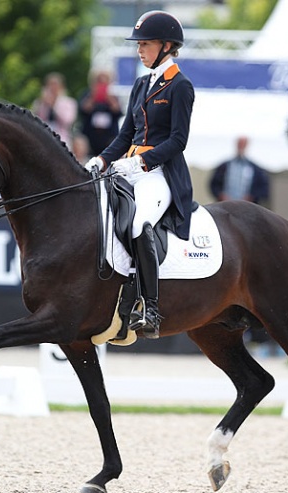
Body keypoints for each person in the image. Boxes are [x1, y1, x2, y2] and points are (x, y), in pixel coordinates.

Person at [84, 10, 195, 339]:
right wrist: (101, 161)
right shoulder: (141, 83)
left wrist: (141, 164)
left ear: (166, 45)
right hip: (127, 168)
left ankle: (150, 306)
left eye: (145, 44)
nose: (139, 50)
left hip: (161, 174)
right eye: (139, 44)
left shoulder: (180, 86)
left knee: (137, 223)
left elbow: (178, 140)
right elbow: (125, 135)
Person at [210, 136, 270, 205]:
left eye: (243, 145)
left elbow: (263, 188)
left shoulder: (255, 169)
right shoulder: (224, 166)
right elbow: (213, 184)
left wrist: (252, 196)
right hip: (225, 205)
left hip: (247, 207)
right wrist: (220, 195)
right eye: (239, 144)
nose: (241, 147)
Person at [78, 69, 123, 155]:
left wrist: (109, 97)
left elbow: (118, 111)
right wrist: (94, 95)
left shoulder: (114, 96)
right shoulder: (87, 94)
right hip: (90, 134)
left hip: (109, 135)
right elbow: (83, 109)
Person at [32, 72, 77, 148]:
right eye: (50, 85)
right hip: (43, 137)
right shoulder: (40, 102)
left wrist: (54, 105)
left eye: (55, 85)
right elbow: (36, 119)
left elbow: (67, 121)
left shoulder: (69, 102)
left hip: (62, 139)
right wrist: (43, 105)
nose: (53, 88)